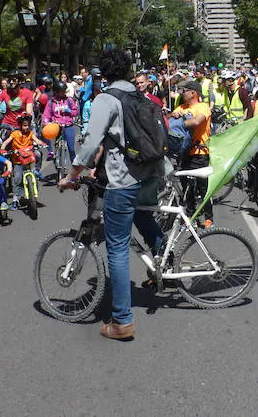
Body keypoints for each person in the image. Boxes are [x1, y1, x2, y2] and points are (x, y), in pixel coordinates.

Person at [58, 49, 165, 341]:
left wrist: (72, 175)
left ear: (102, 74)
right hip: (150, 174)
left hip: (122, 181)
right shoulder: (141, 96)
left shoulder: (106, 99)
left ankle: (122, 320)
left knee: (117, 249)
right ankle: (164, 260)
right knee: (144, 219)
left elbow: (92, 141)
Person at [171, 80, 213, 227]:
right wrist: (172, 114)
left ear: (193, 93)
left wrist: (180, 121)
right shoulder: (181, 107)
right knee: (187, 186)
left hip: (200, 152)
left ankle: (209, 217)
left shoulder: (203, 107)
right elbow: (170, 121)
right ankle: (191, 216)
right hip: (185, 152)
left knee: (203, 187)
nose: (182, 93)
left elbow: (197, 121)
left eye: (185, 90)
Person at [1, 113, 46, 209]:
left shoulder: (30, 133)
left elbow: (36, 140)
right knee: (17, 179)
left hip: (29, 158)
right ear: (20, 125)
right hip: (18, 161)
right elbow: (6, 142)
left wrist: (41, 143)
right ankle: (15, 200)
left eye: (28, 125)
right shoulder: (15, 134)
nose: (27, 128)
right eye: (25, 125)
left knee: (38, 154)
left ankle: (37, 172)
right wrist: (3, 149)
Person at [0, 71, 34, 135]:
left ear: (20, 81)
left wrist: (25, 116)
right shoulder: (4, 92)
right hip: (7, 125)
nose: (11, 82)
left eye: (13, 80)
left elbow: (29, 111)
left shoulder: (27, 93)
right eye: (9, 80)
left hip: (21, 126)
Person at [42, 81, 79, 162]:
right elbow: (46, 115)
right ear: (56, 91)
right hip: (56, 127)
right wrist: (46, 123)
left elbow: (76, 112)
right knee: (58, 147)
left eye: (64, 90)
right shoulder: (51, 102)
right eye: (62, 91)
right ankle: (59, 163)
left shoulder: (69, 100)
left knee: (72, 150)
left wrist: (69, 111)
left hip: (68, 126)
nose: (64, 92)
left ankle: (75, 172)